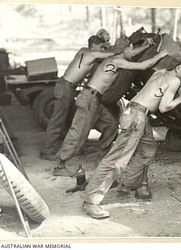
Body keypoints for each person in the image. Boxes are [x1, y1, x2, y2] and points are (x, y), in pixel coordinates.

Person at [81, 41, 181, 219]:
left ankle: (128, 183)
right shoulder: (174, 81)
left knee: (148, 149)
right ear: (178, 68)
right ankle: (91, 201)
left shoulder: (161, 73)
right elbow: (165, 107)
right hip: (137, 117)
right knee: (116, 159)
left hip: (135, 113)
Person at [54, 37, 167, 177]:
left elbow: (129, 54)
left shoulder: (115, 58)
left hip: (95, 99)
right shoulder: (116, 61)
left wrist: (145, 45)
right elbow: (144, 66)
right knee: (78, 132)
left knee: (111, 125)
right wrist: (161, 55)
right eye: (130, 48)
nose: (131, 51)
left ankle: (103, 157)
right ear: (124, 49)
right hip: (89, 99)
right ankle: (61, 165)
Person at [40, 35, 114, 161]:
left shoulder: (83, 50)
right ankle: (47, 151)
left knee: (70, 119)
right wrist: (114, 48)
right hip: (66, 87)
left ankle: (74, 147)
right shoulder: (92, 54)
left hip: (66, 85)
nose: (102, 49)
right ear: (94, 45)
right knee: (58, 120)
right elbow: (112, 54)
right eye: (100, 46)